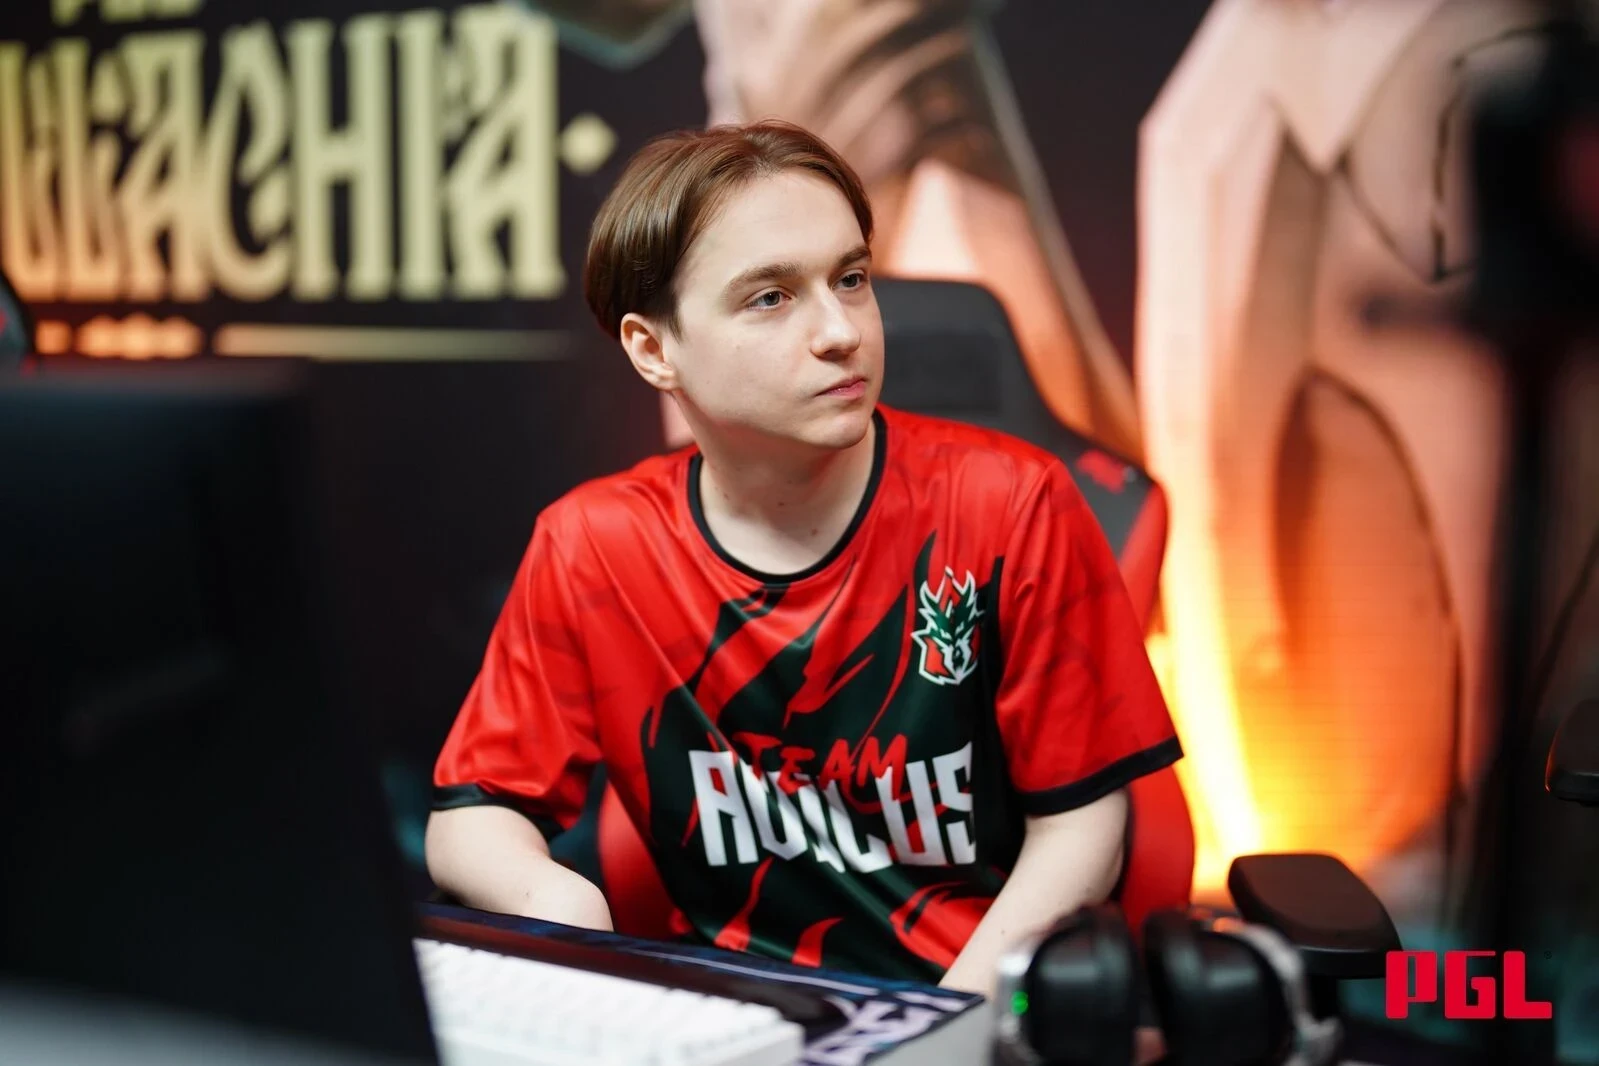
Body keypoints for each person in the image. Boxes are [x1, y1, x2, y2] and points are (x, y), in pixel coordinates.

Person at [424, 119, 1181, 1001]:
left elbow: (1082, 826)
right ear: (653, 349)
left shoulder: (1011, 502)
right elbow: (472, 815)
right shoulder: (594, 543)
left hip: (967, 1003)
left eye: (850, 279)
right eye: (770, 297)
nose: (840, 331)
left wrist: (944, 1032)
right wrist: (558, 904)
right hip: (725, 1019)